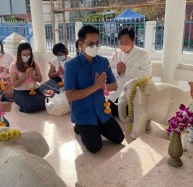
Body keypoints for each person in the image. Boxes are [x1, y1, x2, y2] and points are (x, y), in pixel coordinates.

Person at [64, 25, 125, 153]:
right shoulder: (71, 66)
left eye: (97, 43)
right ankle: (79, 127)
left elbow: (114, 85)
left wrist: (103, 86)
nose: (95, 47)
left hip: (102, 110)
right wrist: (95, 87)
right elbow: (70, 96)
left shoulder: (103, 62)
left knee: (119, 138)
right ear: (81, 44)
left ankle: (95, 127)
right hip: (83, 113)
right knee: (95, 147)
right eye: (91, 44)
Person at [109, 27, 152, 116]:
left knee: (129, 111)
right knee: (104, 109)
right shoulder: (116, 54)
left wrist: (127, 69)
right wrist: (117, 71)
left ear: (133, 40)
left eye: (126, 42)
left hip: (135, 94)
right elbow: (110, 72)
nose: (123, 45)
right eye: (121, 42)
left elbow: (147, 75)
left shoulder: (143, 54)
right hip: (117, 92)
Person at [9, 41, 46, 113]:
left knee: (45, 101)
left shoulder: (34, 63)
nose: (26, 57)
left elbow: (40, 79)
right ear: (19, 54)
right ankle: (26, 105)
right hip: (20, 92)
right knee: (30, 105)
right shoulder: (13, 65)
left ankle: (29, 104)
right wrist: (26, 74)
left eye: (29, 54)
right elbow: (14, 84)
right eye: (24, 54)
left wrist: (32, 75)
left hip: (34, 89)